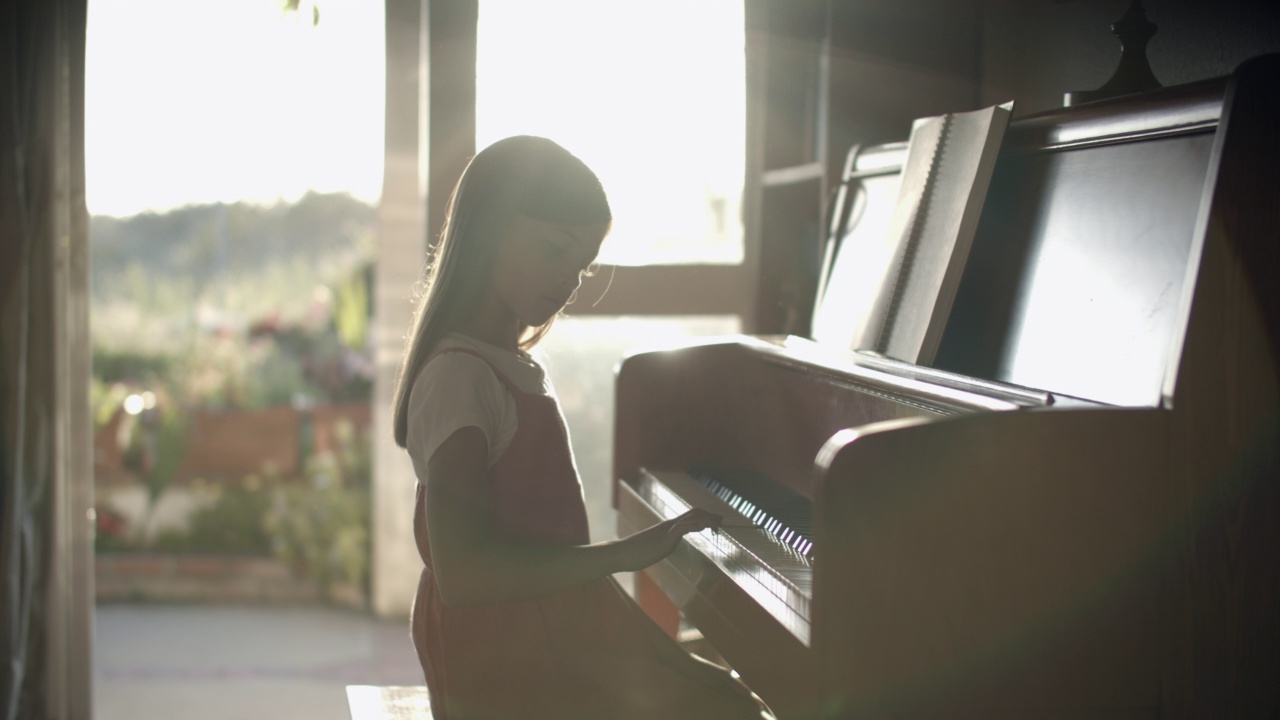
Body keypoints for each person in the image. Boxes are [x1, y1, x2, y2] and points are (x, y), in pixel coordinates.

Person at [391, 136, 774, 720]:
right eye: (553, 249)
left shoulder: (506, 366)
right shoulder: (458, 379)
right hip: (505, 667)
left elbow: (562, 576)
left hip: (553, 632)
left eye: (581, 265)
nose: (569, 281)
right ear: (489, 229)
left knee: (730, 699)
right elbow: (463, 577)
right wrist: (622, 554)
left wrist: (671, 660)